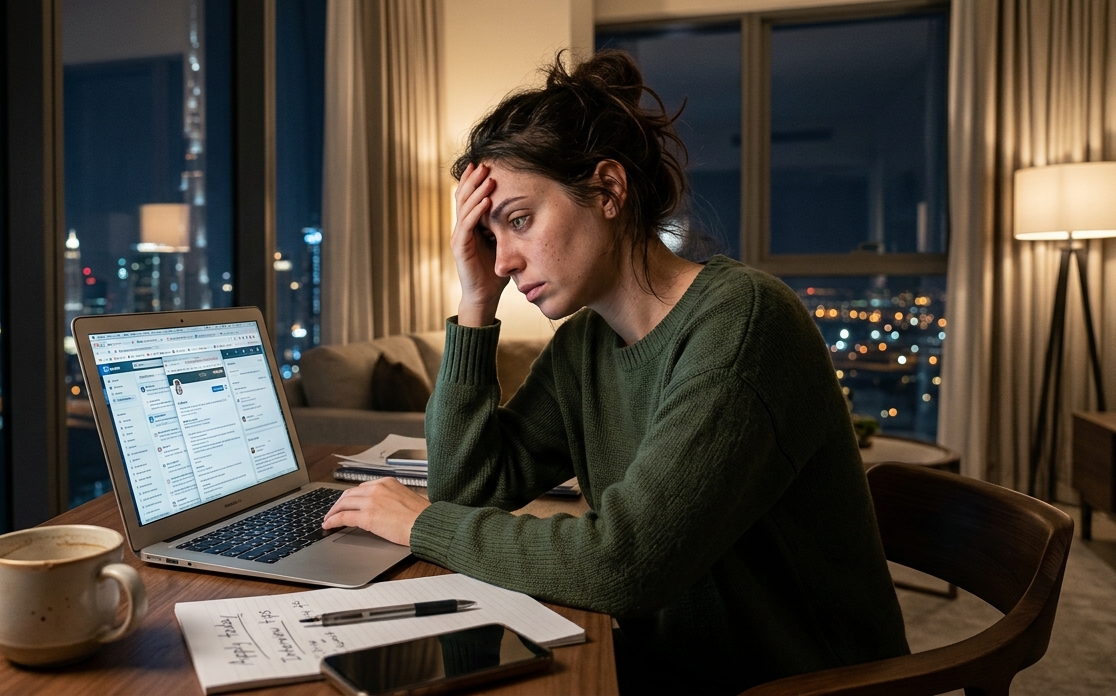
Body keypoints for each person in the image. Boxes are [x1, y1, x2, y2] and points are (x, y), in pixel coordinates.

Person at [321, 51, 909, 693]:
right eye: (490, 237)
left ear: (608, 190)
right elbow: (472, 488)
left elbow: (624, 565)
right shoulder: (587, 342)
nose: (505, 260)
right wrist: (474, 304)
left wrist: (419, 523)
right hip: (669, 664)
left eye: (518, 220)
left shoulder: (743, 324)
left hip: (793, 683)